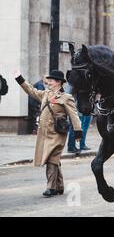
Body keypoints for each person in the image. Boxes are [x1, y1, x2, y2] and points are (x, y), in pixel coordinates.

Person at [14, 69, 82, 197]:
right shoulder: (45, 93)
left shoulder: (66, 97)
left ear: (59, 82)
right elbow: (31, 90)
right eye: (48, 80)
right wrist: (20, 79)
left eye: (51, 80)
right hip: (44, 134)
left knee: (51, 159)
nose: (48, 82)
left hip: (58, 133)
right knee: (54, 159)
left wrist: (78, 132)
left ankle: (50, 187)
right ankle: (60, 186)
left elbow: (74, 115)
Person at [65, 81, 92, 153]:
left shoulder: (85, 83)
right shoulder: (74, 84)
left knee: (80, 128)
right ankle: (72, 147)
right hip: (78, 108)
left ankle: (79, 145)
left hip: (84, 108)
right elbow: (68, 96)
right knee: (75, 127)